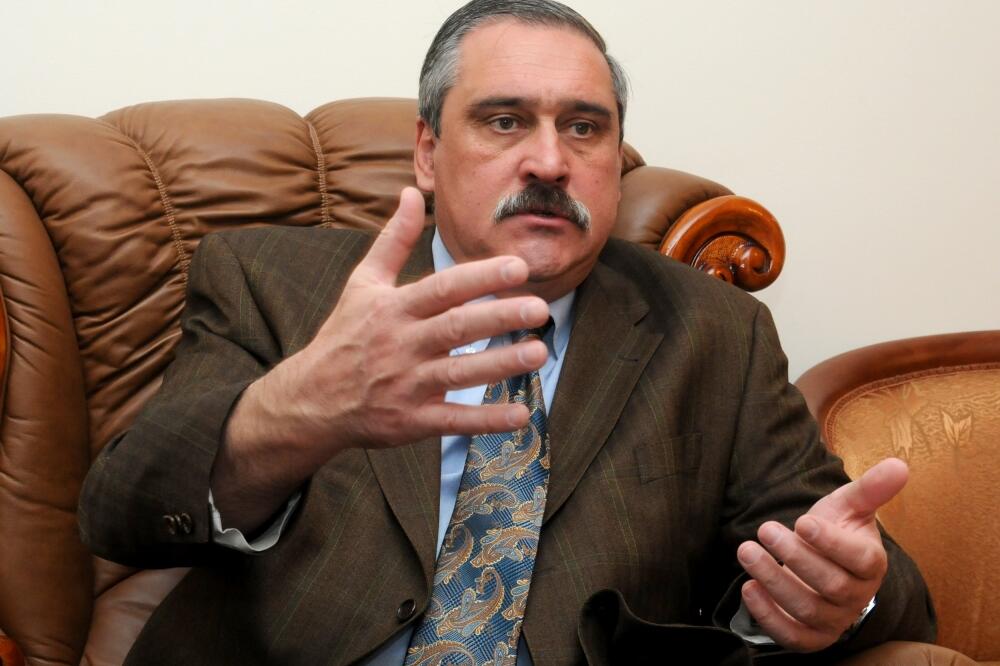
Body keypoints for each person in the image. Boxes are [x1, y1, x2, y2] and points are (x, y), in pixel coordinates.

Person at [78, 1, 935, 664]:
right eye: (504, 120)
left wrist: (844, 593)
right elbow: (122, 513)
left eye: (584, 127)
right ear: (427, 151)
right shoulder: (272, 282)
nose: (550, 161)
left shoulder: (713, 334)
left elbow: (858, 570)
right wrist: (294, 412)